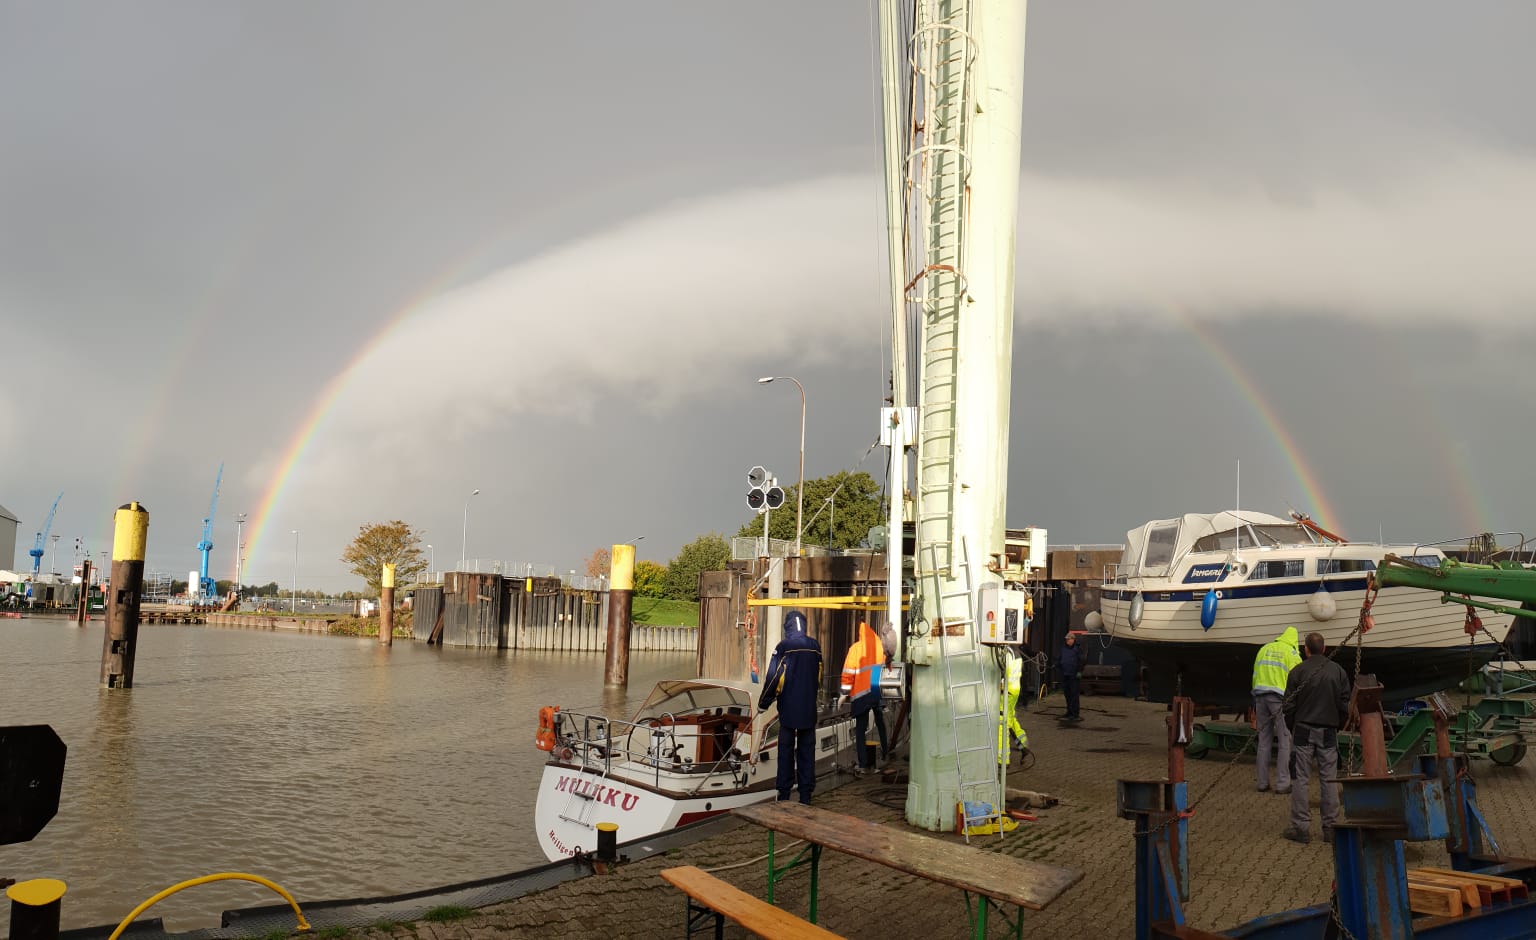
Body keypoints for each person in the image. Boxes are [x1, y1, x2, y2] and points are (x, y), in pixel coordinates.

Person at [1282, 631, 1351, 844]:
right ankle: (1330, 828)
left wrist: (1293, 726)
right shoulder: (1338, 671)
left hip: (1303, 729)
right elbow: (1345, 705)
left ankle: (1300, 828)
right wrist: (1336, 725)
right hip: (1328, 731)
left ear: (1306, 650)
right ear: (1324, 648)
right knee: (1329, 780)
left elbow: (1288, 706)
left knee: (1300, 779)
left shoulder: (1297, 672)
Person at [759, 610, 823, 804]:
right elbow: (819, 677)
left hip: (788, 710)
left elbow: (773, 678)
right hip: (808, 709)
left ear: (787, 627)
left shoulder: (784, 647)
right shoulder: (815, 647)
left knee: (785, 752)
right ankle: (805, 796)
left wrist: (764, 702)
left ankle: (784, 794)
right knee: (807, 751)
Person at [1252, 626, 1303, 794]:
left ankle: (1262, 783)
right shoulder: (1292, 653)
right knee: (1284, 740)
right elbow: (1299, 682)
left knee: (1264, 741)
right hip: (1280, 700)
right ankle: (1282, 784)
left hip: (1260, 697)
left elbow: (1255, 675)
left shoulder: (1264, 649)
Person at [840, 620, 887, 775]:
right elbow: (886, 667)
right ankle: (885, 753)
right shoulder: (880, 647)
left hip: (861, 694)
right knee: (880, 722)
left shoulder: (855, 649)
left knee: (860, 729)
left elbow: (848, 673)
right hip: (876, 691)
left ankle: (863, 764)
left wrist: (844, 694)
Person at [998, 647, 1030, 762]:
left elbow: (1003, 673)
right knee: (1010, 719)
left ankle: (1003, 759)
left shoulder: (1005, 653)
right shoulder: (1015, 653)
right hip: (1014, 689)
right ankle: (1023, 745)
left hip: (1006, 691)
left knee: (1002, 723)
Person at [1059, 632, 1085, 721]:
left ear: (1073, 639)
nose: (1067, 641)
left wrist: (1079, 671)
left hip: (1074, 675)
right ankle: (1069, 712)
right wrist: (1056, 665)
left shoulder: (1078, 649)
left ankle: (1075, 714)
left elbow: (1082, 661)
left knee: (1074, 695)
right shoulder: (1063, 648)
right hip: (1065, 674)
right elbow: (1060, 658)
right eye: (1066, 639)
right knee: (1067, 694)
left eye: (1068, 639)